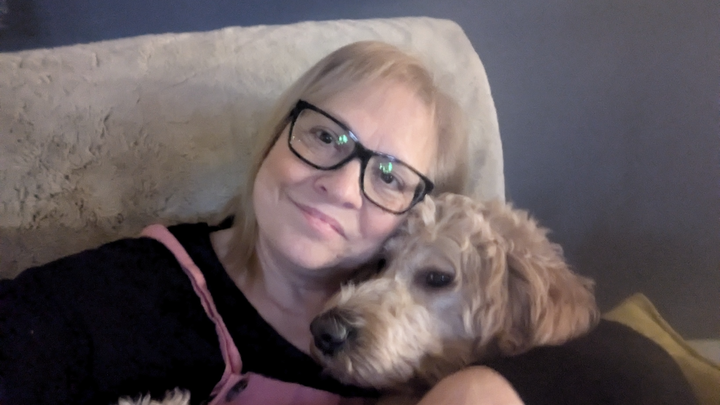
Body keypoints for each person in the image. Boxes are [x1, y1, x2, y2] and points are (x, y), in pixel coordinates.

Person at [0, 41, 697, 405]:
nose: (338, 184)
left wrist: (476, 391)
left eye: (389, 174)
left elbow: (640, 367)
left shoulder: (456, 338)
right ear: (276, 136)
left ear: (414, 208)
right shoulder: (127, 294)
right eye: (325, 136)